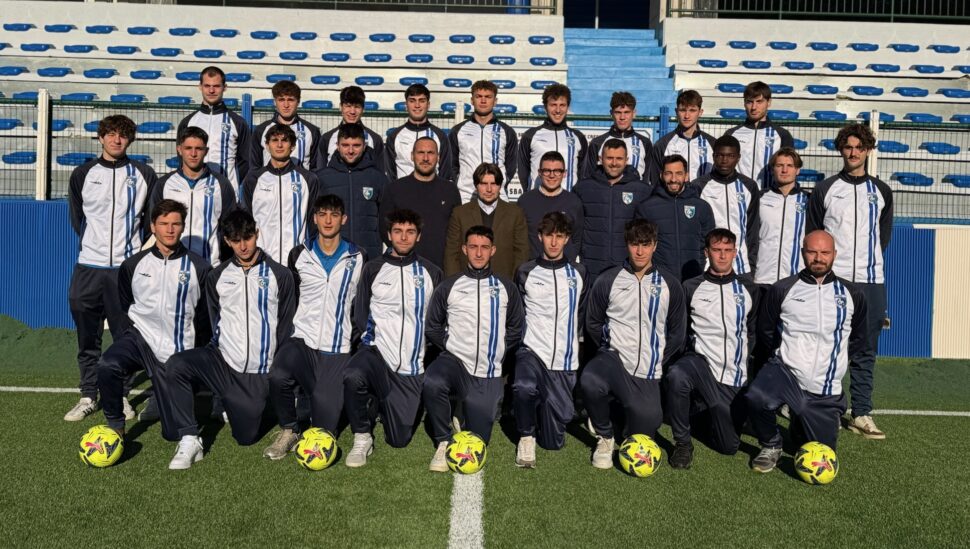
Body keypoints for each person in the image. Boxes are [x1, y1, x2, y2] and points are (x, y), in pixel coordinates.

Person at [156, 209, 295, 470]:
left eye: (248, 238)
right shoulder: (217, 276)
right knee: (176, 364)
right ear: (227, 241)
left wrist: (276, 373)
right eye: (236, 240)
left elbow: (286, 328)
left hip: (257, 372)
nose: (243, 246)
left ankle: (254, 403)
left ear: (257, 233)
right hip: (222, 361)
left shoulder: (280, 275)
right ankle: (190, 438)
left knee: (245, 437)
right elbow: (214, 321)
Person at [747, 230, 868, 473]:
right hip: (787, 371)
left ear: (834, 254)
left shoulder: (852, 294)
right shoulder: (783, 289)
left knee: (820, 453)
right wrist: (779, 358)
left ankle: (799, 421)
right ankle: (771, 444)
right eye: (812, 252)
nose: (818, 258)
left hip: (825, 386)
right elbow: (766, 331)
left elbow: (858, 338)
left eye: (825, 252)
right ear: (803, 253)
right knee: (756, 396)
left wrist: (835, 363)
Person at [65, 114, 157, 422]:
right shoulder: (83, 174)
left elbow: (149, 222)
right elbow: (78, 218)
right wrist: (94, 245)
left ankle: (120, 394)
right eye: (111, 134)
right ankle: (88, 395)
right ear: (101, 137)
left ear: (130, 139)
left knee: (125, 337)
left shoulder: (144, 174)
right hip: (88, 268)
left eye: (123, 135)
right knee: (87, 337)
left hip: (123, 271)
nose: (117, 140)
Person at [263, 194, 365, 460]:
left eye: (334, 215)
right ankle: (289, 429)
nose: (328, 220)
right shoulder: (298, 254)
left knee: (323, 428)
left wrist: (354, 337)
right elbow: (292, 299)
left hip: (337, 346)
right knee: (278, 375)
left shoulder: (359, 256)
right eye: (322, 214)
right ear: (314, 219)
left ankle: (323, 401)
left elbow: (361, 305)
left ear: (344, 219)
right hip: (303, 341)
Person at [807, 123, 892, 440]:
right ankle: (823, 408)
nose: (853, 152)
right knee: (828, 345)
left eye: (859, 147)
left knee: (865, 349)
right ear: (840, 150)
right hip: (835, 281)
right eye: (848, 147)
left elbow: (882, 237)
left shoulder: (881, 191)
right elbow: (814, 235)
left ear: (868, 150)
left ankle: (861, 413)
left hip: (871, 281)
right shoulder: (825, 189)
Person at [96, 199, 209, 438]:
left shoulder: (199, 267)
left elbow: (204, 317)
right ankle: (116, 426)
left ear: (183, 227)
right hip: (141, 340)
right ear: (152, 227)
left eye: (176, 224)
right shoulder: (133, 265)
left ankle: (166, 393)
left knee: (174, 433)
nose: (170, 229)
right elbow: (126, 304)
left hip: (176, 350)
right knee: (108, 364)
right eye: (164, 224)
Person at [342, 209, 443, 467]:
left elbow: (437, 321)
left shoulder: (431, 272)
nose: (403, 237)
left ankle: (379, 402)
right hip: (377, 354)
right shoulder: (373, 268)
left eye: (410, 232)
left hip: (411, 366)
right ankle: (362, 436)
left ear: (418, 236)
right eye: (398, 231)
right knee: (353, 374)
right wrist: (369, 343)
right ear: (389, 235)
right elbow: (360, 314)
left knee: (399, 439)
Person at [581, 219, 685, 469]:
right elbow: (593, 323)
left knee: (644, 427)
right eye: (634, 244)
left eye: (645, 244)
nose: (639, 251)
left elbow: (677, 333)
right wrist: (607, 349)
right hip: (614, 359)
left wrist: (658, 358)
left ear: (655, 246)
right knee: (590, 379)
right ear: (626, 244)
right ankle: (605, 436)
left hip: (648, 369)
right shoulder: (608, 279)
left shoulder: (669, 284)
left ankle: (618, 414)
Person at [424, 225, 524, 472]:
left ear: (493, 250)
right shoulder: (449, 286)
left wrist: (499, 350)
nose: (478, 253)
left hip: (488, 369)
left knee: (479, 437)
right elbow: (433, 326)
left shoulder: (506, 287)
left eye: (484, 248)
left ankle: (463, 407)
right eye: (473, 247)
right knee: (433, 381)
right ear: (464, 249)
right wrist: (451, 346)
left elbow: (516, 327)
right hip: (455, 362)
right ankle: (443, 441)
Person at [665, 229, 758, 469]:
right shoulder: (691, 287)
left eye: (727, 250)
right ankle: (683, 443)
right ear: (707, 253)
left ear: (735, 253)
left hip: (734, 379)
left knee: (729, 447)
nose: (722, 256)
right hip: (700, 366)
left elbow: (752, 332)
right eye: (717, 250)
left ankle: (701, 413)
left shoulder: (749, 289)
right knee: (678, 374)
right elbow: (681, 331)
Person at [512, 212, 588, 468]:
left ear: (567, 239)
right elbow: (518, 313)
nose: (553, 242)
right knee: (523, 386)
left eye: (559, 236)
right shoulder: (525, 271)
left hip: (564, 360)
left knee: (553, 442)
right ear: (539, 237)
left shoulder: (579, 272)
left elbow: (581, 314)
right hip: (532, 351)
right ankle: (525, 435)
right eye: (548, 236)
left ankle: (542, 409)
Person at [150, 126, 236, 267]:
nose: (193, 154)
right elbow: (155, 223)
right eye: (188, 148)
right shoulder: (164, 184)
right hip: (172, 264)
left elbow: (229, 226)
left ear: (206, 151)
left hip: (210, 265)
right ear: (179, 149)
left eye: (199, 149)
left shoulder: (221, 184)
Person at [378, 137, 461, 269]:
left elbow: (457, 231)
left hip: (441, 268)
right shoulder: (395, 189)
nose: (426, 158)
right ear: (412, 156)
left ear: (438, 157)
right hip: (405, 267)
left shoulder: (450, 190)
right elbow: (384, 228)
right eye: (421, 152)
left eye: (430, 153)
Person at [572, 139, 651, 278]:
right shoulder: (583, 188)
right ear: (600, 159)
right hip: (592, 264)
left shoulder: (642, 190)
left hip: (626, 265)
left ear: (626, 160)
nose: (614, 163)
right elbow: (575, 227)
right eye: (609, 158)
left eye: (619, 158)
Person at [243, 124, 319, 265]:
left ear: (293, 146)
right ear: (267, 145)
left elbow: (313, 223)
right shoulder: (253, 179)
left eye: (284, 140)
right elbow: (246, 221)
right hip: (261, 260)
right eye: (274, 140)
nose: (279, 145)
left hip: (297, 261)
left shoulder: (308, 179)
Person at [635, 154, 715, 281]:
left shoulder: (702, 207)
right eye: (668, 173)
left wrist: (698, 268)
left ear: (686, 176)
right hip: (658, 279)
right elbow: (640, 244)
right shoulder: (646, 207)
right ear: (661, 175)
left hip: (693, 278)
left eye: (679, 173)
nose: (673, 179)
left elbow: (708, 243)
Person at [443, 163, 529, 279]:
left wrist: (514, 284)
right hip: (467, 283)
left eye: (493, 184)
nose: (489, 189)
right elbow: (451, 253)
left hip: (504, 282)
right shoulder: (460, 214)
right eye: (484, 184)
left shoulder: (515, 213)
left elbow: (521, 252)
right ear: (476, 186)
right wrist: (454, 283)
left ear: (500, 186)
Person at [177, 66, 250, 198]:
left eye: (216, 86)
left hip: (226, 195)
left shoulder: (237, 122)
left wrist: (229, 184)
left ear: (224, 87)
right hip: (195, 194)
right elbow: (181, 158)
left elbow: (245, 161)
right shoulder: (188, 122)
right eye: (207, 86)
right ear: (200, 86)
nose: (211, 90)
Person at [316, 123, 387, 259]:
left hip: (369, 255)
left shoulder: (378, 178)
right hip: (332, 255)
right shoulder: (321, 178)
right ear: (337, 146)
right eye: (345, 145)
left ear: (364, 146)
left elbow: (386, 219)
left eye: (356, 145)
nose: (350, 151)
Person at [694, 135, 760, 275]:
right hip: (708, 267)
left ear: (738, 157)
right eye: (720, 155)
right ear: (713, 156)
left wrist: (752, 264)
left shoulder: (749, 186)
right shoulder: (698, 186)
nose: (724, 160)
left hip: (741, 267)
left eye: (730, 156)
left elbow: (752, 230)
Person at [449, 80, 518, 203]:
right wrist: (460, 181)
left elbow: (511, 166)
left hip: (497, 195)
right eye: (478, 96)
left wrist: (499, 183)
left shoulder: (507, 131)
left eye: (488, 97)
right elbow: (451, 164)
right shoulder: (458, 131)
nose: (483, 101)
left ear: (495, 101)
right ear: (472, 100)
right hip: (466, 195)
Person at [753, 147, 811, 285]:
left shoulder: (808, 200)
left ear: (798, 170)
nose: (784, 170)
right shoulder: (760, 198)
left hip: (796, 278)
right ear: (772, 169)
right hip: (763, 276)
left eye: (790, 166)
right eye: (779, 165)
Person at [723, 81, 794, 190]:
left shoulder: (782, 135)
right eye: (749, 102)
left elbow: (789, 170)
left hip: (769, 196)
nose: (754, 107)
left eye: (759, 101)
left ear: (769, 102)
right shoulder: (732, 134)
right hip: (738, 194)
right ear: (744, 103)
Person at [518, 83, 588, 192]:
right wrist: (531, 195)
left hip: (569, 199)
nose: (558, 110)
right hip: (538, 199)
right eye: (553, 105)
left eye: (562, 105)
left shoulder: (578, 137)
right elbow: (523, 172)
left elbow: (583, 173)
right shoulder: (530, 135)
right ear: (545, 107)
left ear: (568, 107)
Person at [516, 151, 584, 262]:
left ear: (564, 173)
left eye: (557, 171)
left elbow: (577, 239)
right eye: (547, 171)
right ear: (539, 173)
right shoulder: (525, 201)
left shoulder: (574, 202)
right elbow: (519, 238)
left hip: (563, 267)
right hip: (533, 267)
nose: (552, 175)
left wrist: (568, 261)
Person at [385, 83, 452, 182]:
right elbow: (390, 174)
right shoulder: (394, 136)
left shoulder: (440, 136)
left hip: (432, 191)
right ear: (406, 105)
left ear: (428, 105)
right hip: (403, 191)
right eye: (412, 101)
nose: (417, 105)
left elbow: (445, 173)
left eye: (422, 101)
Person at [252, 80, 321, 171]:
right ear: (275, 102)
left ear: (298, 101)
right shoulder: (261, 130)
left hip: (300, 180)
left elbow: (316, 168)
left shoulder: (312, 131)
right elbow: (254, 167)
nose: (286, 105)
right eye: (281, 100)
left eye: (290, 100)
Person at [649, 90, 715, 185]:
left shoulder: (712, 143)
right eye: (683, 110)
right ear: (676, 112)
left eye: (692, 110)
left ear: (700, 112)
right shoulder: (662, 144)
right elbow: (656, 182)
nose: (687, 116)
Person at [582, 91, 652, 180]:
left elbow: (648, 178)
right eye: (618, 112)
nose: (622, 117)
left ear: (634, 113)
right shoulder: (597, 143)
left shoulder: (645, 143)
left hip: (637, 189)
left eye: (626, 112)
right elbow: (589, 177)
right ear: (611, 113)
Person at [319, 85, 385, 166]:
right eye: (348, 106)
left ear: (363, 109)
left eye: (357, 107)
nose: (352, 111)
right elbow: (321, 170)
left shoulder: (375, 140)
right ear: (340, 107)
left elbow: (380, 171)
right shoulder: (326, 138)